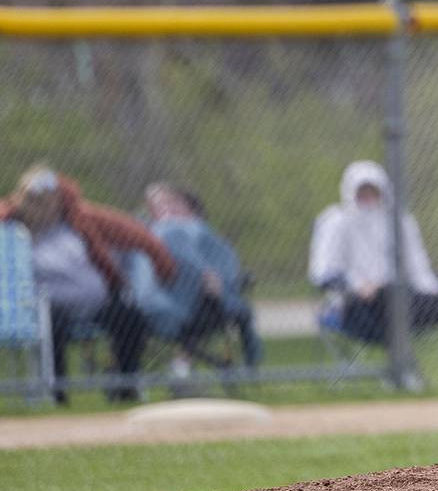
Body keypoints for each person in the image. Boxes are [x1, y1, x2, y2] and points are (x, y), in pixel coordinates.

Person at [308, 160, 438, 391]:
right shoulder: (336, 221)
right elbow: (323, 272)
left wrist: (436, 296)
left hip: (404, 299)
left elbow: (419, 270)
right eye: (362, 191)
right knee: (389, 292)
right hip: (356, 307)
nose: (368, 197)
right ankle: (404, 371)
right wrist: (357, 285)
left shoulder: (400, 221)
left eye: (372, 190)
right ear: (350, 191)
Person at [0, 166, 176, 403]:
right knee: (53, 322)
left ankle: (126, 386)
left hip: (98, 303)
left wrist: (162, 262)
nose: (44, 206)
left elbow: (133, 234)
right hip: (47, 307)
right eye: (35, 200)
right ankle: (57, 394)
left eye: (50, 199)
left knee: (129, 316)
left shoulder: (80, 220)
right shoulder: (14, 231)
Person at [128, 183, 264, 378]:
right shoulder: (153, 231)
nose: (167, 210)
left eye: (171, 204)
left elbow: (222, 265)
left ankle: (249, 368)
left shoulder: (196, 230)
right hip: (164, 304)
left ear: (190, 209)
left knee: (236, 311)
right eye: (158, 205)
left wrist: (217, 280)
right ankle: (179, 363)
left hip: (205, 304)